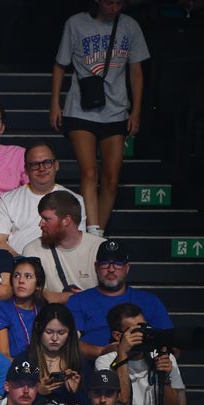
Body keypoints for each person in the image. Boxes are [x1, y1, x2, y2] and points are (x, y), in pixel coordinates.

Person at [52, 0, 147, 236]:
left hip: (116, 109)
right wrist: (55, 103)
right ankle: (92, 229)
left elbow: (136, 70)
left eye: (118, 3)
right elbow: (60, 65)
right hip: (81, 108)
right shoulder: (76, 24)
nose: (114, 7)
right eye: (109, 2)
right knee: (89, 171)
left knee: (112, 178)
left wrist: (136, 110)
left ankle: (98, 234)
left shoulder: (130, 26)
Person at [67, 238, 171, 359]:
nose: (111, 269)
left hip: (141, 370)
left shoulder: (149, 301)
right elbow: (69, 342)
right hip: (92, 373)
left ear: (127, 268)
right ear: (96, 267)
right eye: (105, 263)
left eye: (117, 264)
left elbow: (169, 343)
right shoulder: (78, 301)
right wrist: (105, 353)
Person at [96, 303, 184, 405]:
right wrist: (123, 353)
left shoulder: (164, 357)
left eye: (144, 327)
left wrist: (165, 378)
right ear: (118, 336)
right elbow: (123, 398)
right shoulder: (105, 362)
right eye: (135, 331)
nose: (143, 334)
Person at [0, 143, 84, 255]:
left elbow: (78, 241)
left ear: (56, 165)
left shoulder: (74, 200)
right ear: (26, 169)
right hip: (19, 267)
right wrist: (24, 263)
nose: (42, 168)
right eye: (35, 164)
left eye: (47, 163)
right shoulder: (7, 200)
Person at [21, 190, 105, 303]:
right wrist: (74, 298)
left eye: (47, 219)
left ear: (66, 220)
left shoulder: (100, 247)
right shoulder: (33, 250)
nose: (40, 224)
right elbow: (33, 294)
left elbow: (113, 293)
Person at [28, 302, 85, 405]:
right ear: (38, 329)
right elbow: (11, 398)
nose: (54, 338)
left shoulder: (78, 362)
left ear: (70, 333)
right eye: (48, 332)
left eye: (61, 333)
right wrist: (37, 391)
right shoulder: (26, 361)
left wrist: (76, 391)